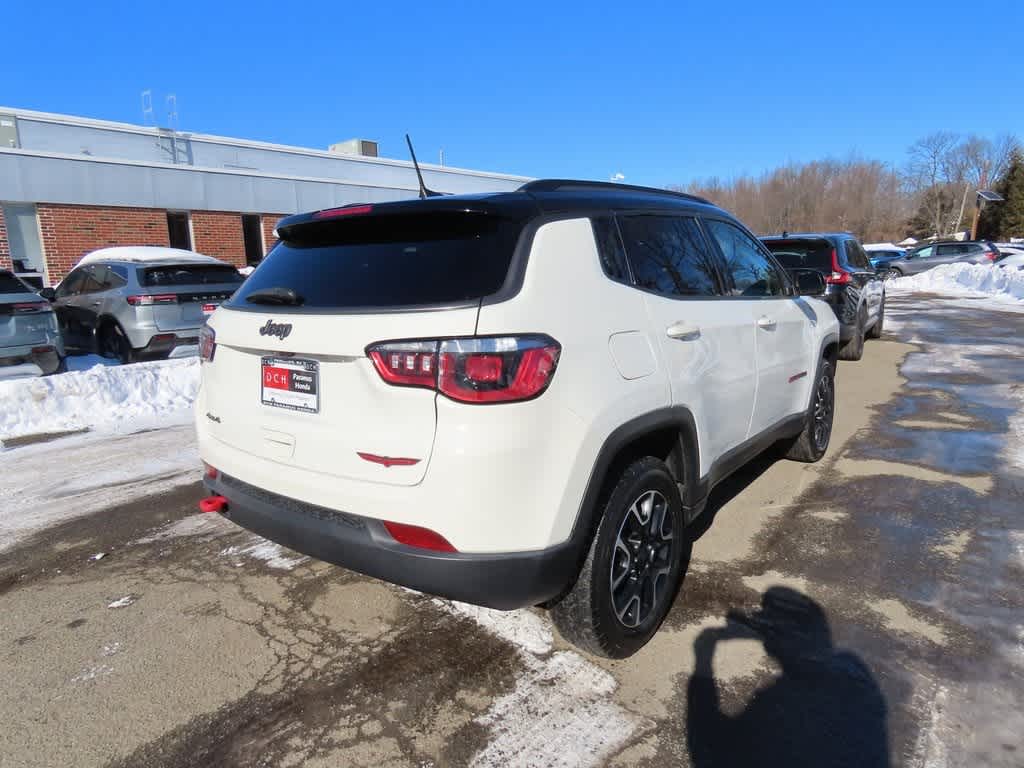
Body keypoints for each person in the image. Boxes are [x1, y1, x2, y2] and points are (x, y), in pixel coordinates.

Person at [687, 586, 889, 768]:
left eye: (774, 624)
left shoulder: (779, 703)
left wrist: (704, 651)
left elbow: (710, 750)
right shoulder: (850, 673)